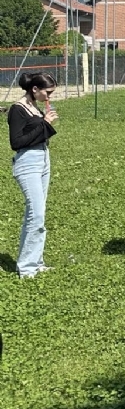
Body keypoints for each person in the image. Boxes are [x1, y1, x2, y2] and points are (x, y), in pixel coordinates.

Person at [7, 71, 58, 279]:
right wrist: (45, 123)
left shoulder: (33, 106)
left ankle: (36, 262)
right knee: (35, 214)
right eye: (47, 92)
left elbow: (37, 135)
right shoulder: (17, 110)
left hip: (42, 159)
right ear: (34, 89)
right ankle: (27, 268)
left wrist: (44, 124)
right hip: (28, 163)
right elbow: (16, 142)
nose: (49, 97)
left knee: (39, 213)